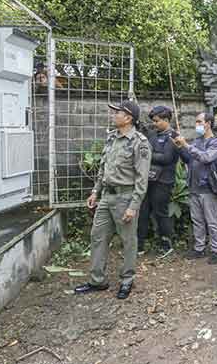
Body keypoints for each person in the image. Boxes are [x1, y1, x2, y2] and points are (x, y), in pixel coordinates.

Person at [75, 101, 151, 300]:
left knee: (128, 241)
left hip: (125, 198)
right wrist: (95, 192)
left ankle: (127, 281)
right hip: (106, 197)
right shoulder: (112, 138)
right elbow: (103, 169)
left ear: (128, 118)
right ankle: (97, 280)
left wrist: (133, 206)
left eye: (118, 112)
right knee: (97, 237)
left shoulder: (139, 142)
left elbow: (142, 180)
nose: (114, 114)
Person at [174, 112, 217, 265]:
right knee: (197, 220)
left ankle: (215, 250)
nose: (197, 125)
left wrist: (187, 145)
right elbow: (189, 160)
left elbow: (206, 158)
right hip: (194, 187)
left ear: (208, 123)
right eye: (196, 122)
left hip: (208, 188)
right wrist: (180, 147)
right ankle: (199, 248)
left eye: (199, 122)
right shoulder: (196, 141)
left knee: (212, 221)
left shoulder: (216, 142)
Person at [137, 105, 179, 258]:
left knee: (161, 213)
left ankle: (166, 245)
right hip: (148, 179)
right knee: (142, 212)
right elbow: (145, 150)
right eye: (153, 121)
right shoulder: (152, 134)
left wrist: (148, 154)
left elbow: (167, 158)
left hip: (164, 181)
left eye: (156, 121)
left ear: (166, 120)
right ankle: (139, 246)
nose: (154, 124)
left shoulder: (174, 136)